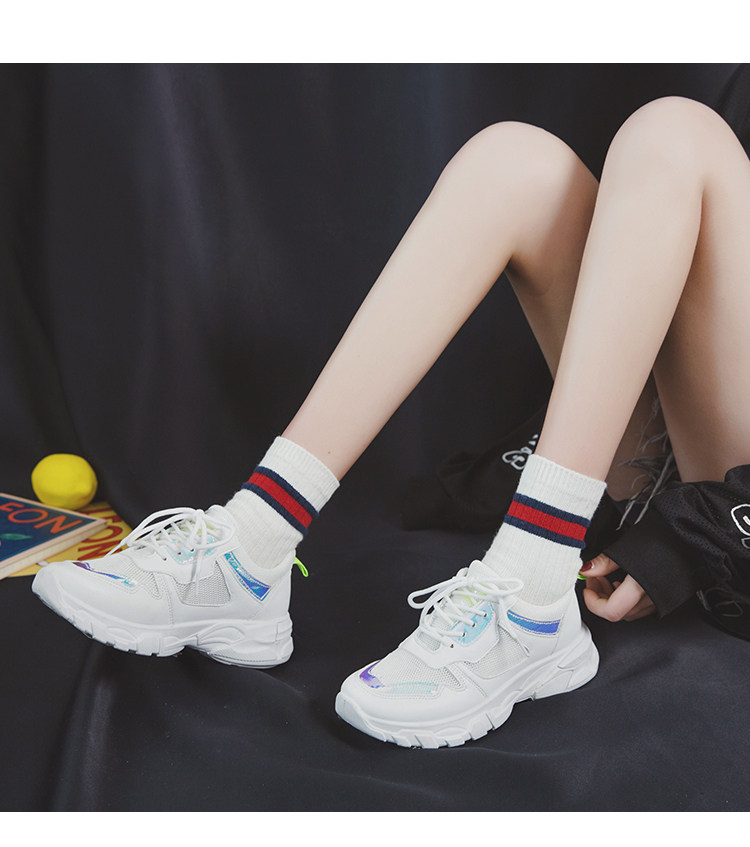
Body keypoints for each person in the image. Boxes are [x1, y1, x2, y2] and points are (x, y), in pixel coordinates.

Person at [32, 95, 750, 748]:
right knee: (516, 161)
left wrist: (687, 540)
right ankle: (254, 542)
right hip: (665, 446)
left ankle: (533, 598)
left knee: (677, 131)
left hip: (729, 501)